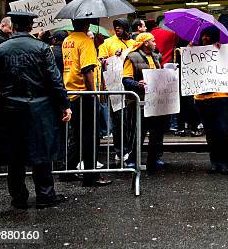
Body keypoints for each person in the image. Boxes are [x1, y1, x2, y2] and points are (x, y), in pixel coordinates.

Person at [0, 11, 72, 209]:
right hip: (40, 109)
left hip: (9, 109)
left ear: (12, 26)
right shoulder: (42, 48)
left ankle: (19, 197)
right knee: (42, 152)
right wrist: (65, 104)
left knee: (15, 156)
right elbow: (55, 80)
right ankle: (45, 195)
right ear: (31, 27)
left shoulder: (0, 49)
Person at [62, 18, 112, 187]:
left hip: (71, 92)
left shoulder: (67, 40)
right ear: (87, 24)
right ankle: (91, 176)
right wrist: (93, 94)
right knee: (91, 136)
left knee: (77, 135)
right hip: (84, 93)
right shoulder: (86, 41)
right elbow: (87, 70)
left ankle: (67, 170)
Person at [122, 33, 168, 172]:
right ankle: (132, 159)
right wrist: (138, 84)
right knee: (138, 131)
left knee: (156, 132)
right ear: (145, 43)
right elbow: (126, 79)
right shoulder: (132, 57)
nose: (155, 43)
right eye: (152, 40)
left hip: (155, 101)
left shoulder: (157, 56)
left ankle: (153, 159)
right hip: (139, 101)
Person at [192, 27, 228, 174]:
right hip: (201, 98)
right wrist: (188, 53)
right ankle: (215, 162)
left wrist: (221, 52)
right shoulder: (194, 52)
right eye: (203, 35)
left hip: (220, 97)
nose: (205, 38)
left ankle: (225, 163)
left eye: (208, 36)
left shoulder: (223, 51)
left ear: (215, 37)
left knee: (221, 131)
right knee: (209, 132)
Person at [98, 19, 135, 161]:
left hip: (130, 87)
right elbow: (101, 61)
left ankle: (130, 149)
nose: (117, 29)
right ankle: (120, 150)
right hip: (115, 87)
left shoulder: (133, 43)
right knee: (118, 120)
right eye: (115, 27)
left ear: (127, 28)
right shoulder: (107, 43)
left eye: (120, 27)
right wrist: (111, 58)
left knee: (130, 121)